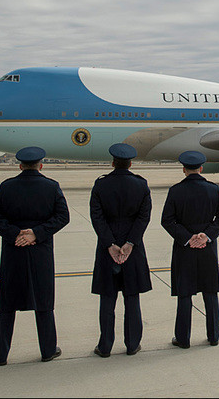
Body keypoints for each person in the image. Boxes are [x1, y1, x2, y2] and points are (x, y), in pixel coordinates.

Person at [0, 146, 69, 365]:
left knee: (7, 304)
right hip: (40, 251)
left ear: (20, 166)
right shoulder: (51, 186)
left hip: (13, 250)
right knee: (44, 301)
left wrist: (15, 233)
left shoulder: (7, 187)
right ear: (41, 165)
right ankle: (48, 350)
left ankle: (0, 355)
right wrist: (36, 233)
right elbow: (63, 217)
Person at [161, 150, 219, 349]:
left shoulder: (175, 191)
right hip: (207, 249)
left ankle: (183, 338)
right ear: (201, 168)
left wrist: (187, 237)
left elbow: (167, 220)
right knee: (210, 292)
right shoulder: (213, 189)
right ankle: (214, 335)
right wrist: (206, 236)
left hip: (184, 250)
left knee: (184, 294)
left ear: (184, 169)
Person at [89, 143, 153, 357]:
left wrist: (110, 244)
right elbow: (143, 217)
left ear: (113, 163)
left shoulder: (101, 185)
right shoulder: (141, 185)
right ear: (130, 164)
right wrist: (130, 243)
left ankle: (105, 346)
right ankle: (132, 344)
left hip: (107, 249)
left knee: (107, 299)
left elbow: (97, 218)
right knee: (132, 297)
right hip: (132, 249)